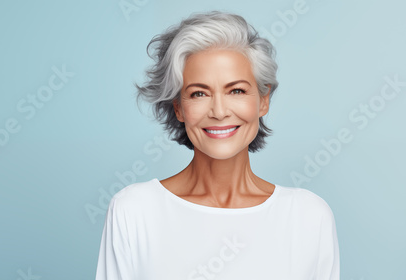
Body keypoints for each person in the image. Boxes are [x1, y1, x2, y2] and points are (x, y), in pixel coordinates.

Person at [95, 10, 340, 280]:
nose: (219, 111)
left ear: (263, 100)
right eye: (199, 93)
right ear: (178, 107)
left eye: (236, 90)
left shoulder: (308, 217)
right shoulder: (135, 211)